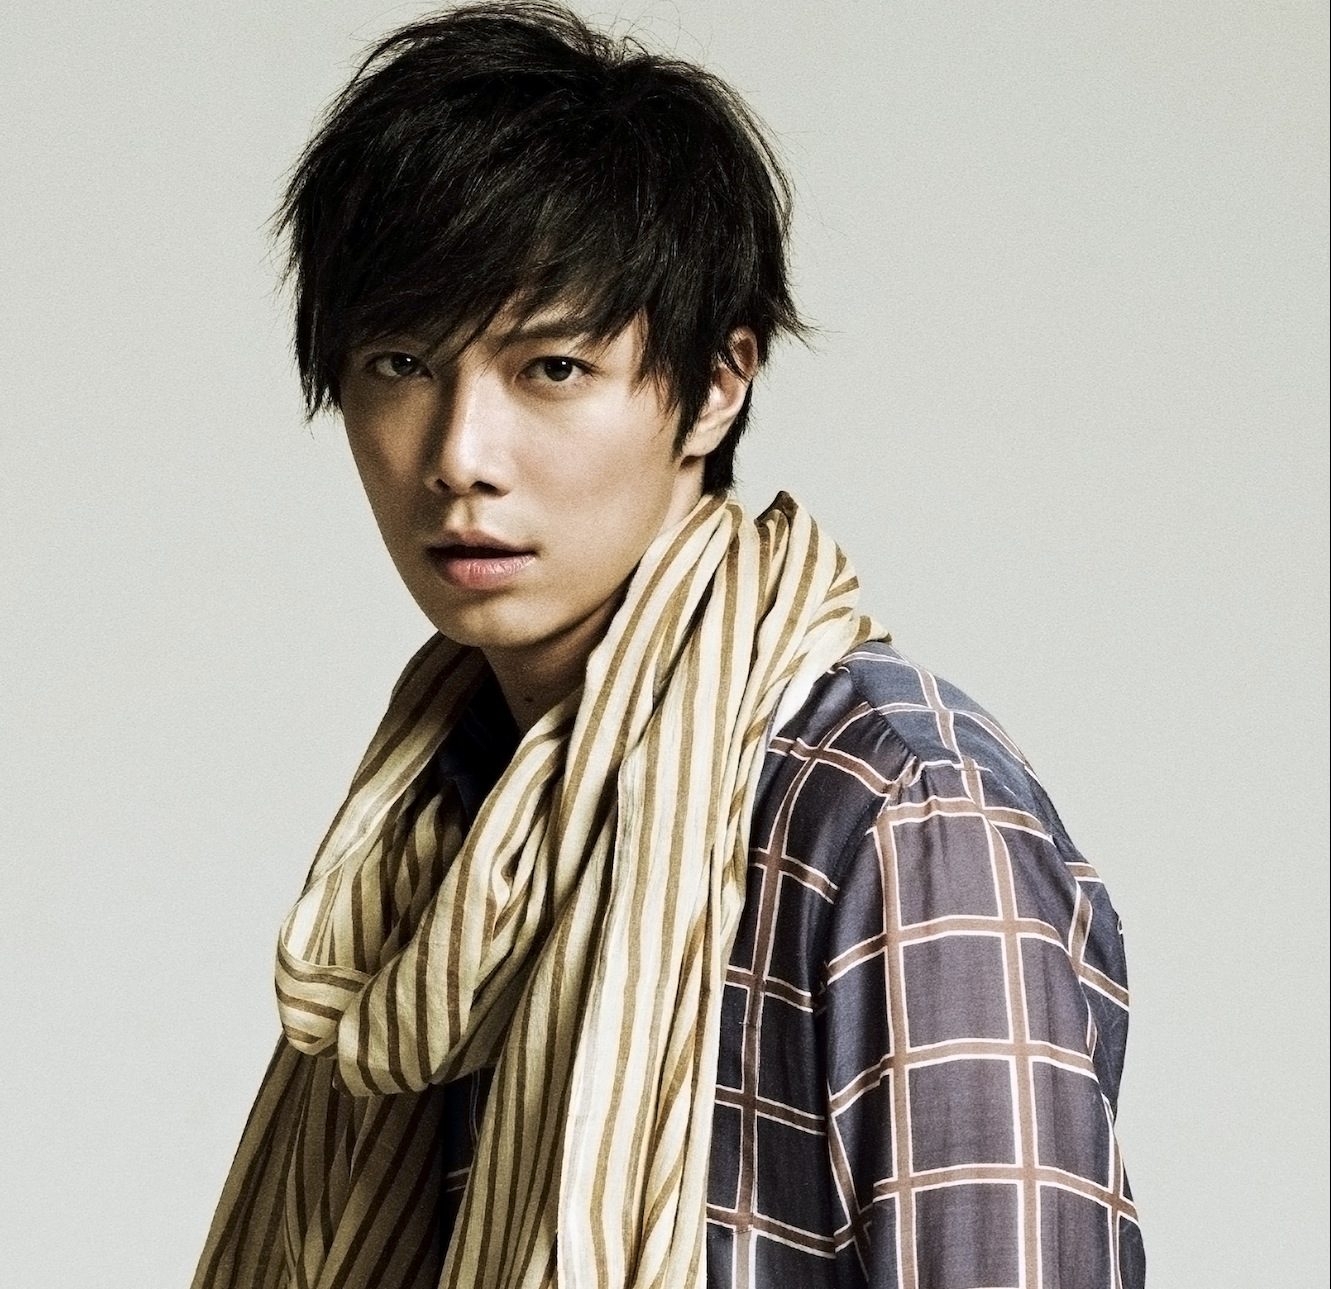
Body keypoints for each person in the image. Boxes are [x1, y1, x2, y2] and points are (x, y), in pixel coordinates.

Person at [192, 4, 1145, 1287]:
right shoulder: (441, 844)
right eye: (402, 361)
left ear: (714, 385)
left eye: (551, 368)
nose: (459, 455)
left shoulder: (890, 810)